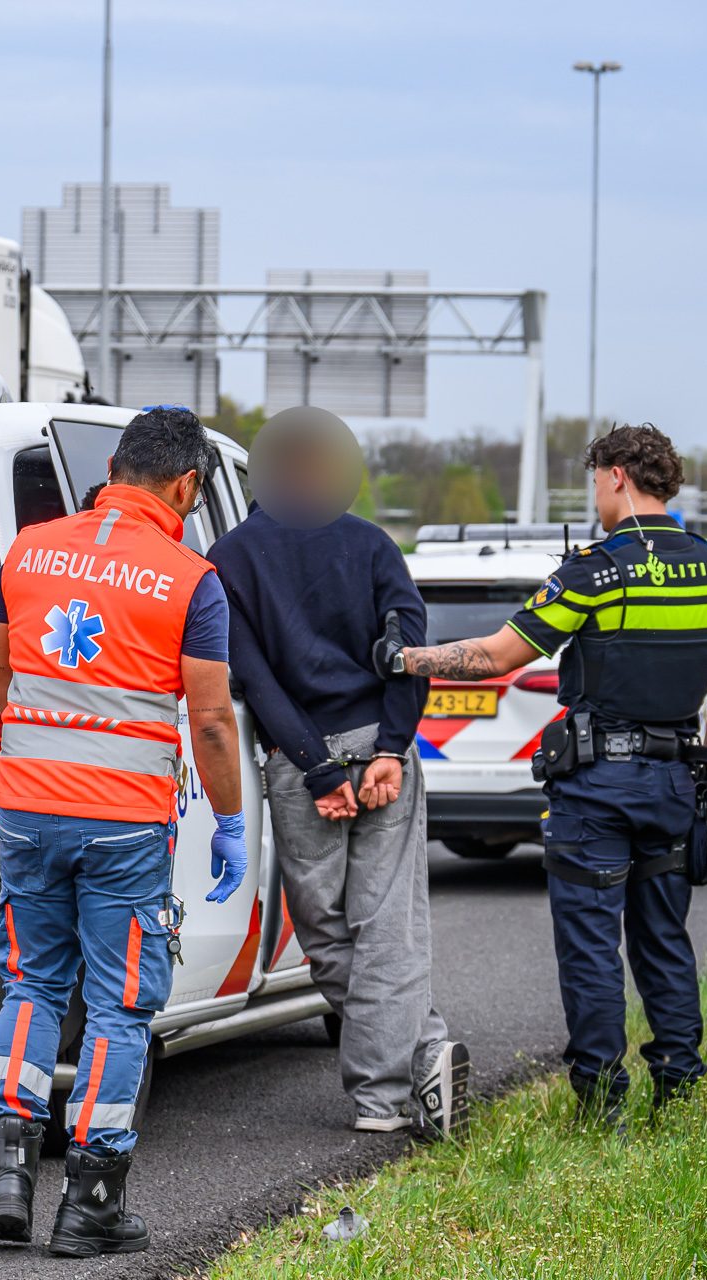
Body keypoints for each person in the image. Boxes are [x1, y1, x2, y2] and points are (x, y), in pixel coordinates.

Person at [380, 423, 707, 1124]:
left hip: (598, 788)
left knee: (591, 943)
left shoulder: (596, 570)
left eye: (595, 483)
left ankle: (602, 1100)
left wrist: (405, 660)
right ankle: (679, 1091)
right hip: (677, 781)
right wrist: (706, 770)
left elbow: (494, 658)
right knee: (664, 936)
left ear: (615, 476)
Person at [0, 405, 248, 1258]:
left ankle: (7, 1178)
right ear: (187, 485)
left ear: (117, 466)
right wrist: (231, 821)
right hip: (123, 825)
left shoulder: (28, 550)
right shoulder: (189, 578)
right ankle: (90, 1201)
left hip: (25, 808)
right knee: (121, 1007)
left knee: (31, 987)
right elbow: (209, 722)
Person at [207, 404, 466, 1138]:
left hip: (298, 761)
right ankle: (422, 1059)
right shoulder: (375, 545)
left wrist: (321, 770)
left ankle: (385, 1094)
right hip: (381, 753)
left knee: (324, 936)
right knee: (389, 927)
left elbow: (253, 677)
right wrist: (390, 749)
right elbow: (410, 656)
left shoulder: (228, 558)